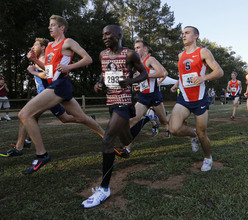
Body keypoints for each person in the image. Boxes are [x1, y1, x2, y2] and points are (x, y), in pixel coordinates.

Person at [16, 15, 104, 174]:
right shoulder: (49, 46)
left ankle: (42, 154)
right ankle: (107, 138)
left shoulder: (68, 42)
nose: (49, 28)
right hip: (54, 85)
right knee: (81, 118)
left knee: (24, 114)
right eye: (49, 25)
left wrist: (70, 67)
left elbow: (88, 59)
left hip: (60, 85)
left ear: (61, 28)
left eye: (53, 25)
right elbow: (49, 71)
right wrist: (35, 61)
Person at [0, 37, 104, 158]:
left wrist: (33, 72)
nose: (33, 47)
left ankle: (23, 147)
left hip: (50, 94)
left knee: (32, 115)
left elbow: (48, 74)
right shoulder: (39, 59)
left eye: (36, 45)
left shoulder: (44, 58)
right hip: (45, 93)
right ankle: (22, 144)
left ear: (43, 47)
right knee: (30, 116)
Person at [81, 24, 148, 209]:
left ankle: (104, 188)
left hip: (124, 102)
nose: (104, 37)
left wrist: (129, 81)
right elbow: (104, 75)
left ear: (119, 35)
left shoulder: (130, 54)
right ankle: (147, 120)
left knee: (108, 140)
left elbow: (144, 73)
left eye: (108, 34)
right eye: (102, 34)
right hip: (111, 101)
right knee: (125, 139)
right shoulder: (103, 55)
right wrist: (98, 84)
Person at [168, 26, 224, 172]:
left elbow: (219, 71)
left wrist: (203, 78)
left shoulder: (203, 51)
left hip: (199, 99)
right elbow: (183, 75)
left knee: (203, 135)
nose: (183, 36)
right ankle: (192, 134)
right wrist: (176, 84)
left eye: (187, 33)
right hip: (184, 98)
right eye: (182, 33)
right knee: (173, 129)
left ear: (196, 36)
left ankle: (207, 158)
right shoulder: (181, 55)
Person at [114, 40, 169, 158]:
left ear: (145, 49)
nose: (136, 50)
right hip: (143, 96)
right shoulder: (138, 62)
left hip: (154, 96)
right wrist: (139, 84)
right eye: (135, 48)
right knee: (132, 120)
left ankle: (183, 126)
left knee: (165, 122)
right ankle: (126, 150)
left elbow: (162, 73)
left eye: (138, 47)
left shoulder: (150, 59)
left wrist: (153, 80)